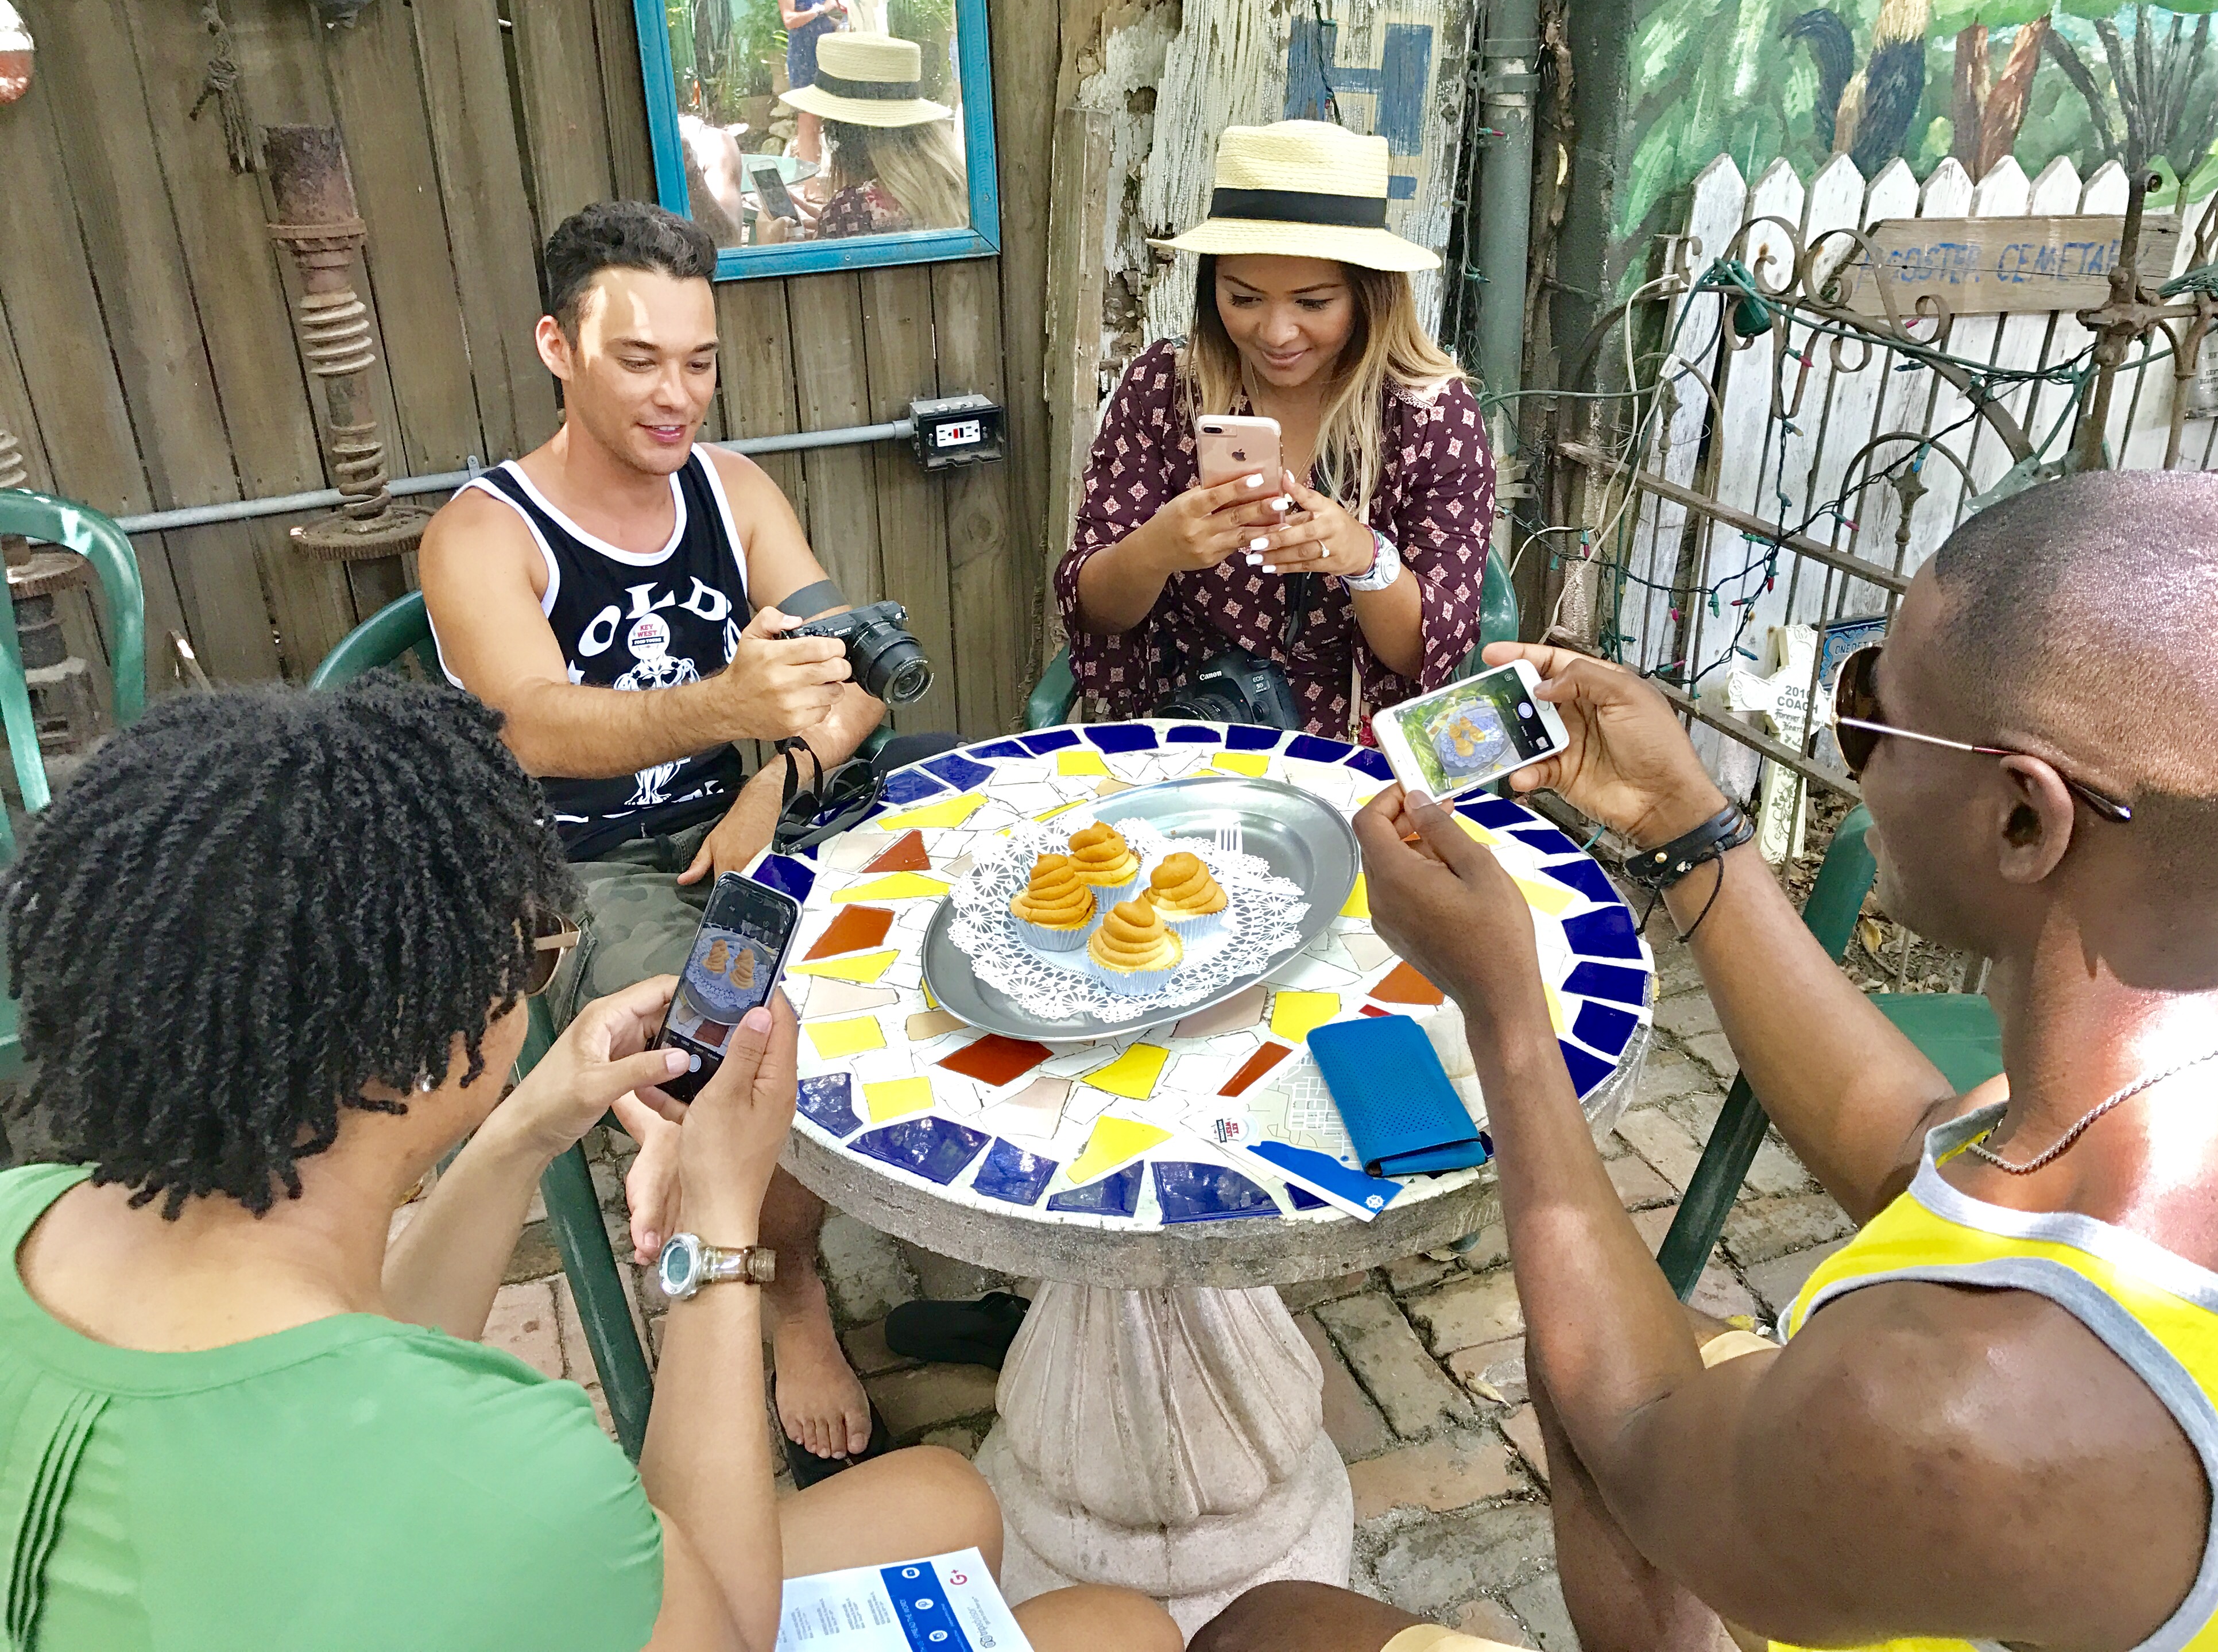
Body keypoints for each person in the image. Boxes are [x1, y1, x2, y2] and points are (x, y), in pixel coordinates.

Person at [1191, 470, 2218, 1652]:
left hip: (1767, 1502)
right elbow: (1918, 1156)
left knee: (1266, 1630)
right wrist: (1685, 822)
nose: (1852, 750)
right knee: (1622, 1336)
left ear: (2025, 818)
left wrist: (1504, 1012)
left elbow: (1641, 1441)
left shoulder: (1950, 1410)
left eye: (1873, 710)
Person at [0, 680, 1182, 1652]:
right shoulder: (508, 1473)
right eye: (531, 950)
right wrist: (722, 1228)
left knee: (941, 1498)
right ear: (439, 1034)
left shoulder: (33, 1215)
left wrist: (528, 1125)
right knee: (1120, 1631)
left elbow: (363, 1350)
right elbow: (718, 1625)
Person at [419, 199, 894, 1481]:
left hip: (740, 823)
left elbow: (859, 670)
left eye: (700, 361)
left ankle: (911, 1212)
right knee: (740, 1034)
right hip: (573, 873)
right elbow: (535, 727)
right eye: (640, 361)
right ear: (557, 347)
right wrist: (732, 707)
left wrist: (775, 771)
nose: (677, 395)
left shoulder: (732, 492)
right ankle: (789, 1292)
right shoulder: (484, 532)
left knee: (925, 947)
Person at [1055, 119, 1495, 741]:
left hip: (1355, 746)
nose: (1277, 333)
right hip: (1193, 726)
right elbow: (1093, 608)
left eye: (1313, 303)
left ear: (1371, 297)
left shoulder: (1431, 418)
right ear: (1212, 290)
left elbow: (1428, 650)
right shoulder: (1164, 389)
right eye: (1244, 298)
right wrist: (1155, 550)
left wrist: (1365, 559)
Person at [765, 33, 966, 241]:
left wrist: (768, 247)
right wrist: (832, 226)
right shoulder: (953, 184)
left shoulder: (853, 207)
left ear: (843, 134)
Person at [774, 0, 843, 167]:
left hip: (823, 53)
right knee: (808, 119)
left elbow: (823, 16)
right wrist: (819, 9)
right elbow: (789, 19)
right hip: (804, 55)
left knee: (826, 116)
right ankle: (810, 182)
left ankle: (827, 173)